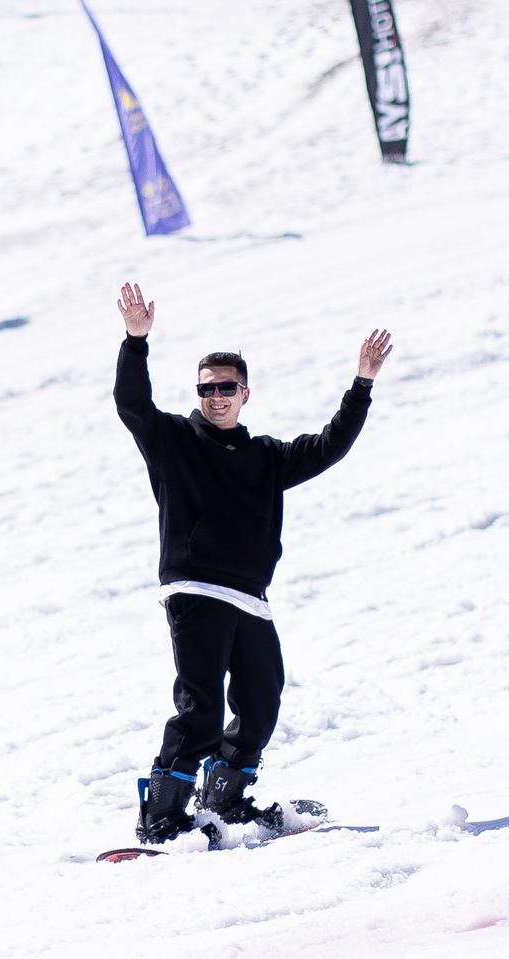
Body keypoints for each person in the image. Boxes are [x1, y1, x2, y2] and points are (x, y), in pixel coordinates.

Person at [112, 282, 392, 842]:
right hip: (196, 590)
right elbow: (132, 404)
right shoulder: (173, 440)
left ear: (245, 393)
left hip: (249, 598)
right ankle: (162, 815)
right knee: (201, 708)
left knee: (262, 701)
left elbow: (329, 446)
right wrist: (135, 342)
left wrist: (361, 385)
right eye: (207, 388)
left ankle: (225, 799)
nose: (215, 396)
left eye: (226, 387)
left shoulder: (266, 457)